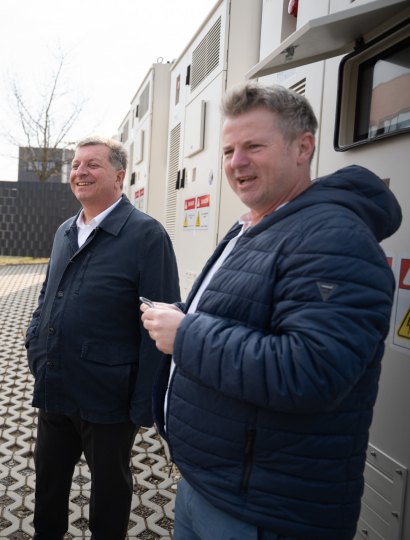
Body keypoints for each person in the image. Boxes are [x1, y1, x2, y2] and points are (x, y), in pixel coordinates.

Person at [141, 82, 402, 540]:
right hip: (214, 487)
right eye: (227, 150)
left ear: (303, 148)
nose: (236, 162)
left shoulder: (333, 237)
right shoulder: (258, 224)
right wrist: (184, 313)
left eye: (253, 146)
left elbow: (313, 371)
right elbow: (247, 315)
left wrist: (186, 333)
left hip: (265, 513)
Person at [25, 136, 180, 539]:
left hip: (109, 396)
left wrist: (145, 402)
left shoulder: (147, 236)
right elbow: (47, 294)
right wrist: (35, 344)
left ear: (119, 175)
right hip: (55, 383)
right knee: (48, 488)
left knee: (110, 493)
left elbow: (160, 326)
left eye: (92, 164)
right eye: (76, 165)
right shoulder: (64, 231)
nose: (80, 172)